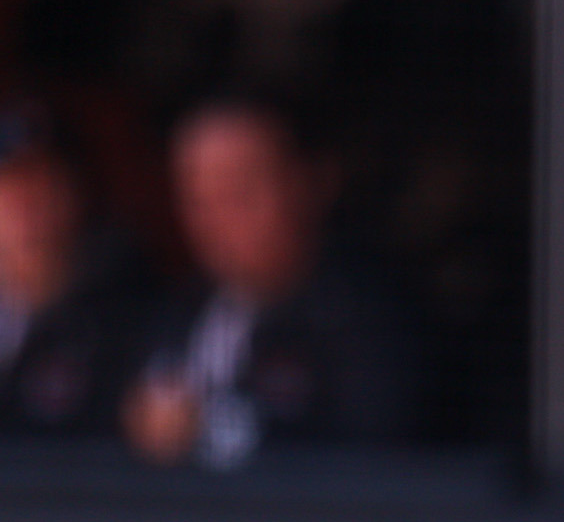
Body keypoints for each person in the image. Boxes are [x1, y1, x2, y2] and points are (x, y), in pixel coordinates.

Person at [122, 96, 421, 467]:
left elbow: (369, 464)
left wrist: (204, 429)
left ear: (312, 183)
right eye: (196, 197)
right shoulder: (177, 311)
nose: (214, 219)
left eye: (239, 193)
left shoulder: (367, 321)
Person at [0, 101, 145, 438]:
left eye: (42, 182)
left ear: (75, 192)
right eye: (9, 185)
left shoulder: (123, 322)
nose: (25, 205)